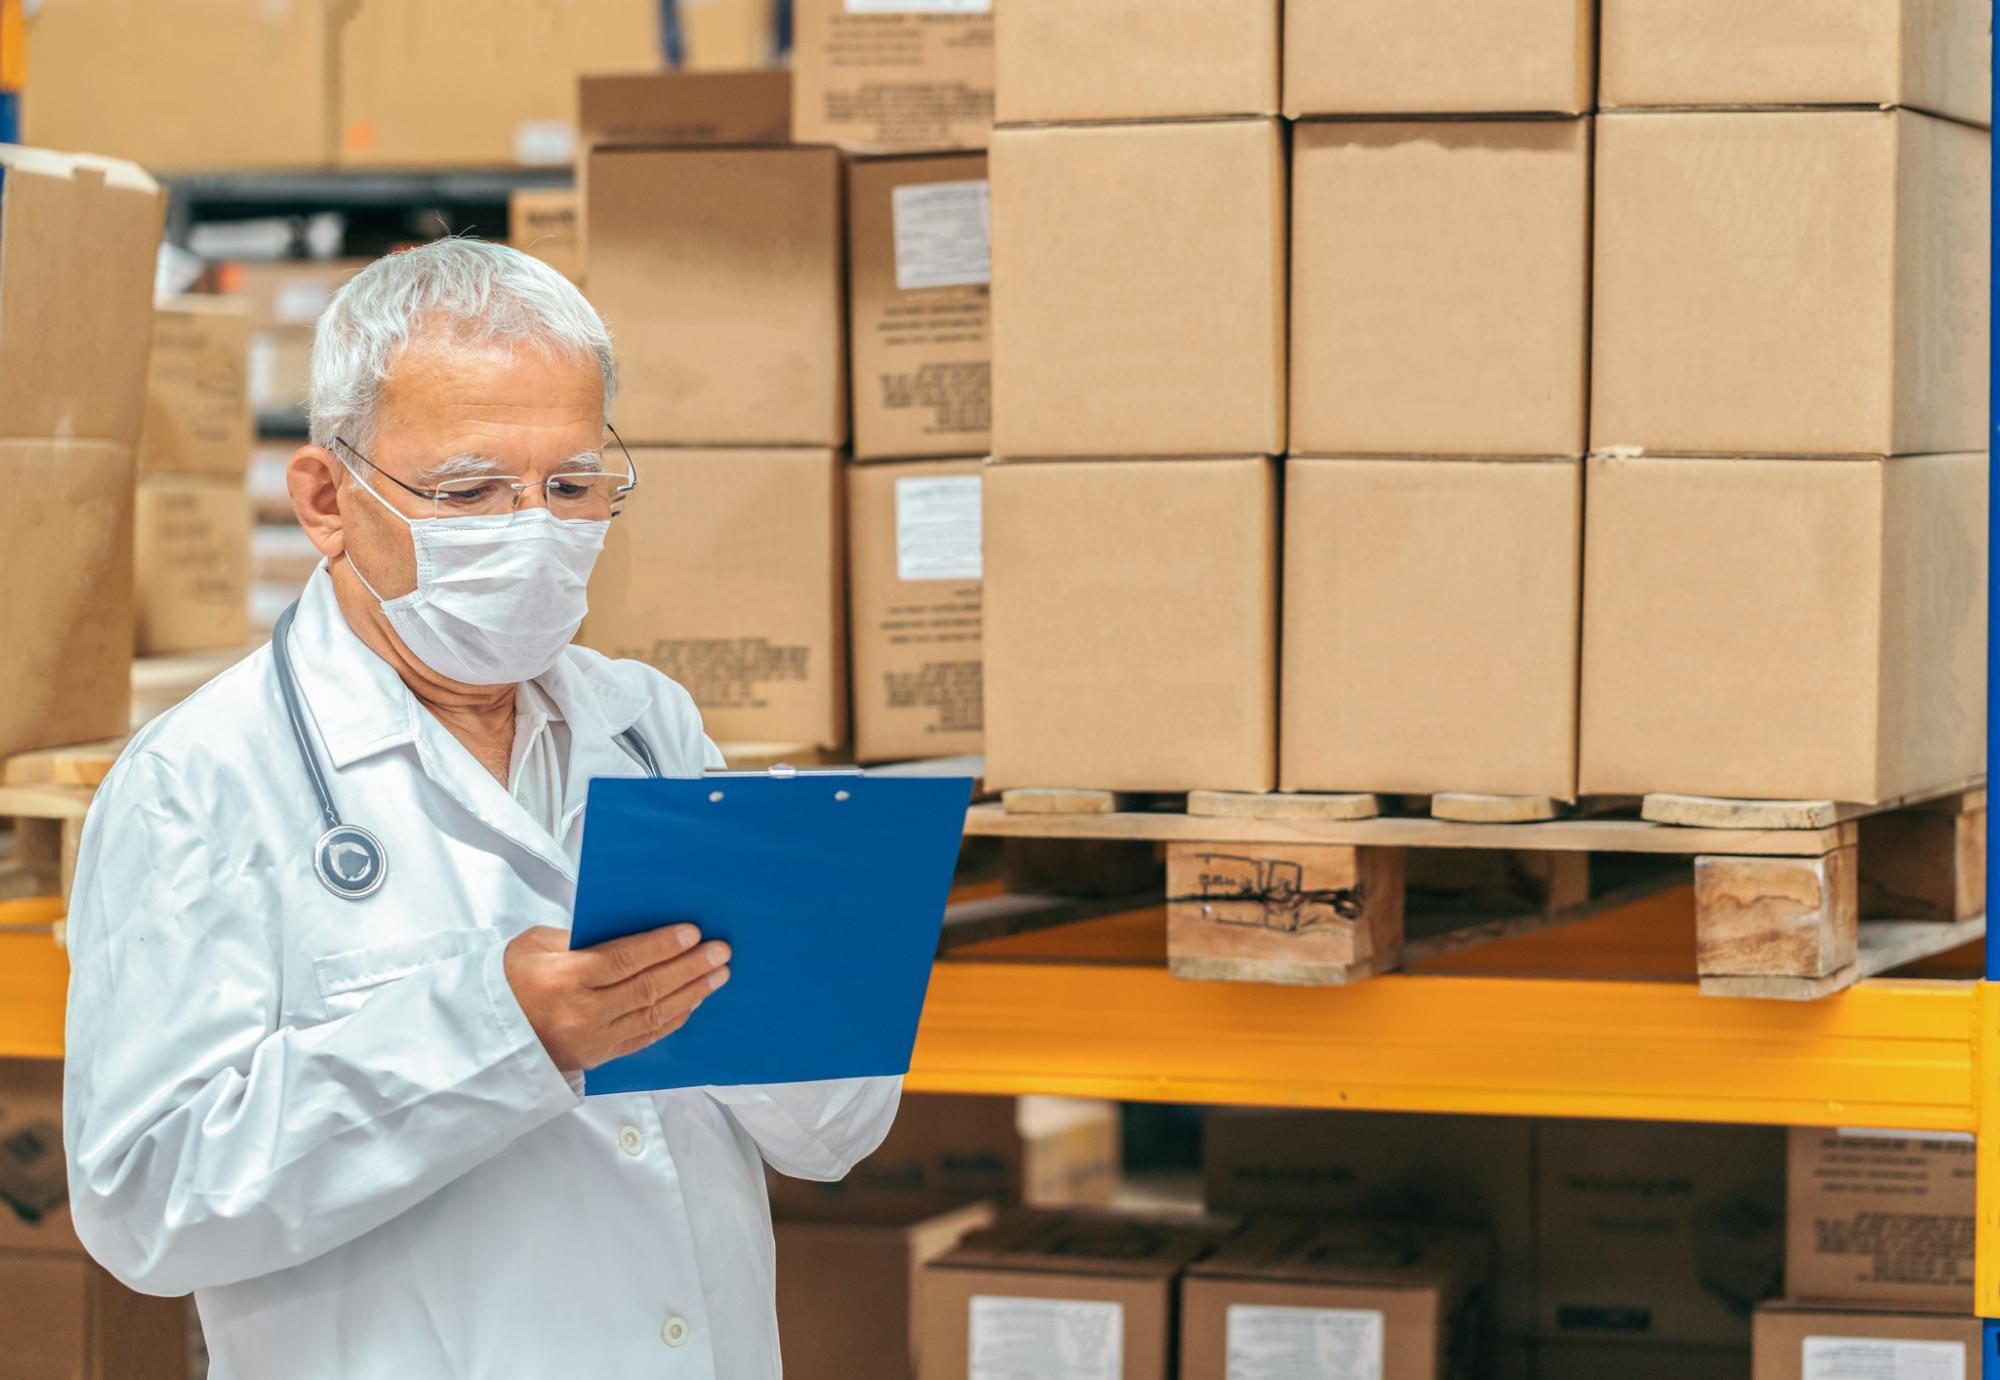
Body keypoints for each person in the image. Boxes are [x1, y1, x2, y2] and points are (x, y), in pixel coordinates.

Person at [62, 239, 900, 1379]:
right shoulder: (201, 783)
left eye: (570, 486)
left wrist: (810, 969)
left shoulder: (649, 725)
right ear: (324, 498)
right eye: (468, 492)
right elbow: (146, 1206)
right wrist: (499, 1037)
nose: (533, 532)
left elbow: (833, 1135)